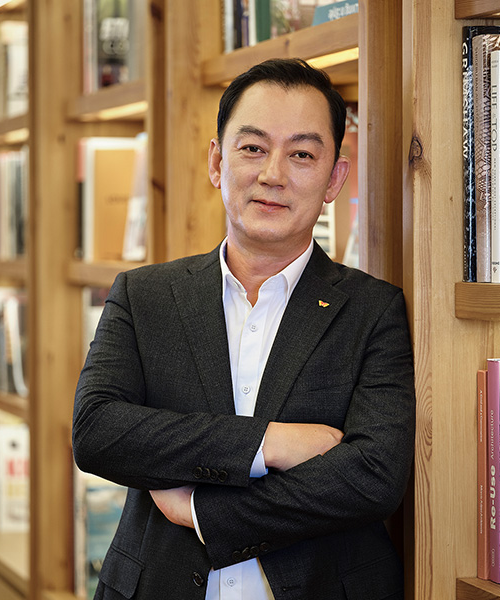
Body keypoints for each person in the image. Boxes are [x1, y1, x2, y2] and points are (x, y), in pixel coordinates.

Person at [73, 57, 415, 600]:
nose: (273, 174)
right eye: (253, 147)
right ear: (217, 161)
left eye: (302, 154)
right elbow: (98, 432)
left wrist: (203, 512)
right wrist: (269, 443)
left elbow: (372, 477)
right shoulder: (144, 295)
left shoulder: (373, 310)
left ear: (335, 178)